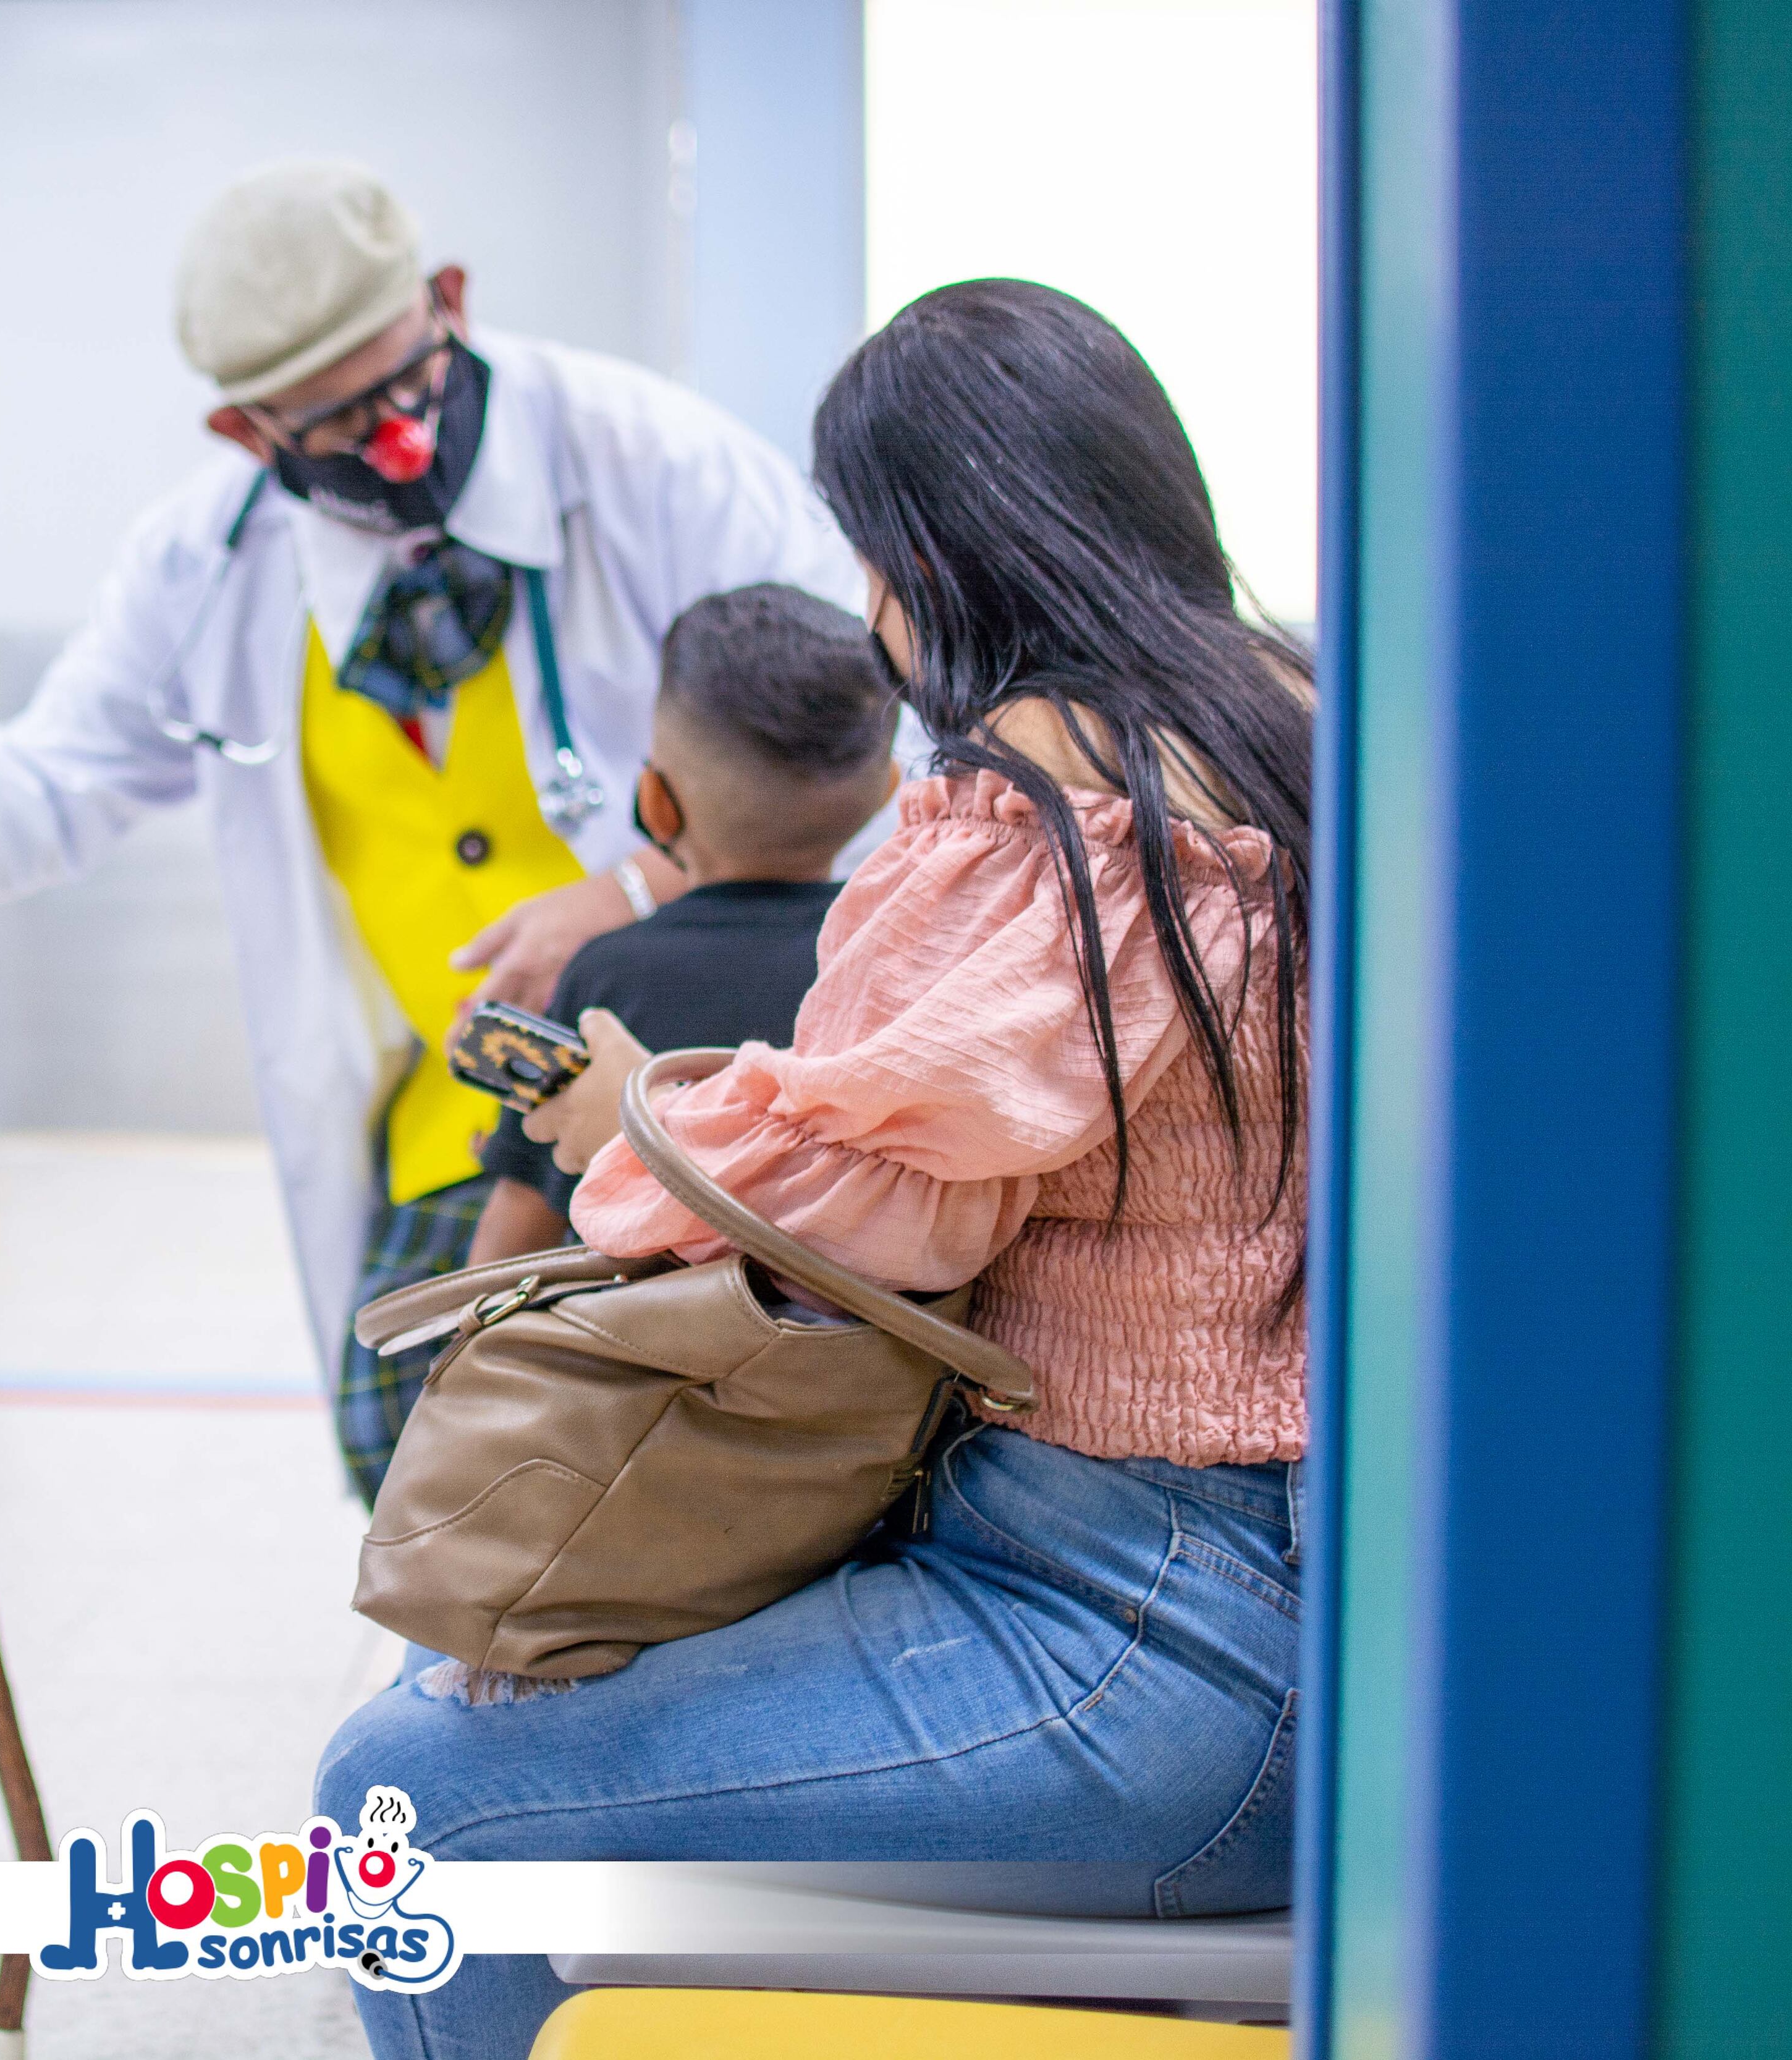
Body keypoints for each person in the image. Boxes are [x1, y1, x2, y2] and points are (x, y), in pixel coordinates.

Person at [316, 278, 1314, 2058]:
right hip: (1264, 1587)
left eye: (873, 556)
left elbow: (858, 1196)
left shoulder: (1053, 794)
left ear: (929, 559)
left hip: (1133, 1636)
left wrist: (636, 1120)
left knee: (408, 1799)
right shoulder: (1290, 723)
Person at [0, 161, 866, 1504]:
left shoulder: (653, 461)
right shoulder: (208, 562)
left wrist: (639, 884)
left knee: (720, 1476)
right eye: (338, 424)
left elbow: (855, 722)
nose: (399, 442)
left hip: (702, 1090)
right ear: (247, 431)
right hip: (451, 1123)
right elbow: (74, 755)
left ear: (449, 299)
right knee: (428, 1476)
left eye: (410, 386)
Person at [465, 582, 897, 1265]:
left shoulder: (607, 976)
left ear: (655, 803)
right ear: (887, 792)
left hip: (646, 1331)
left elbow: (521, 1221)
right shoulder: (896, 952)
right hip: (855, 1326)